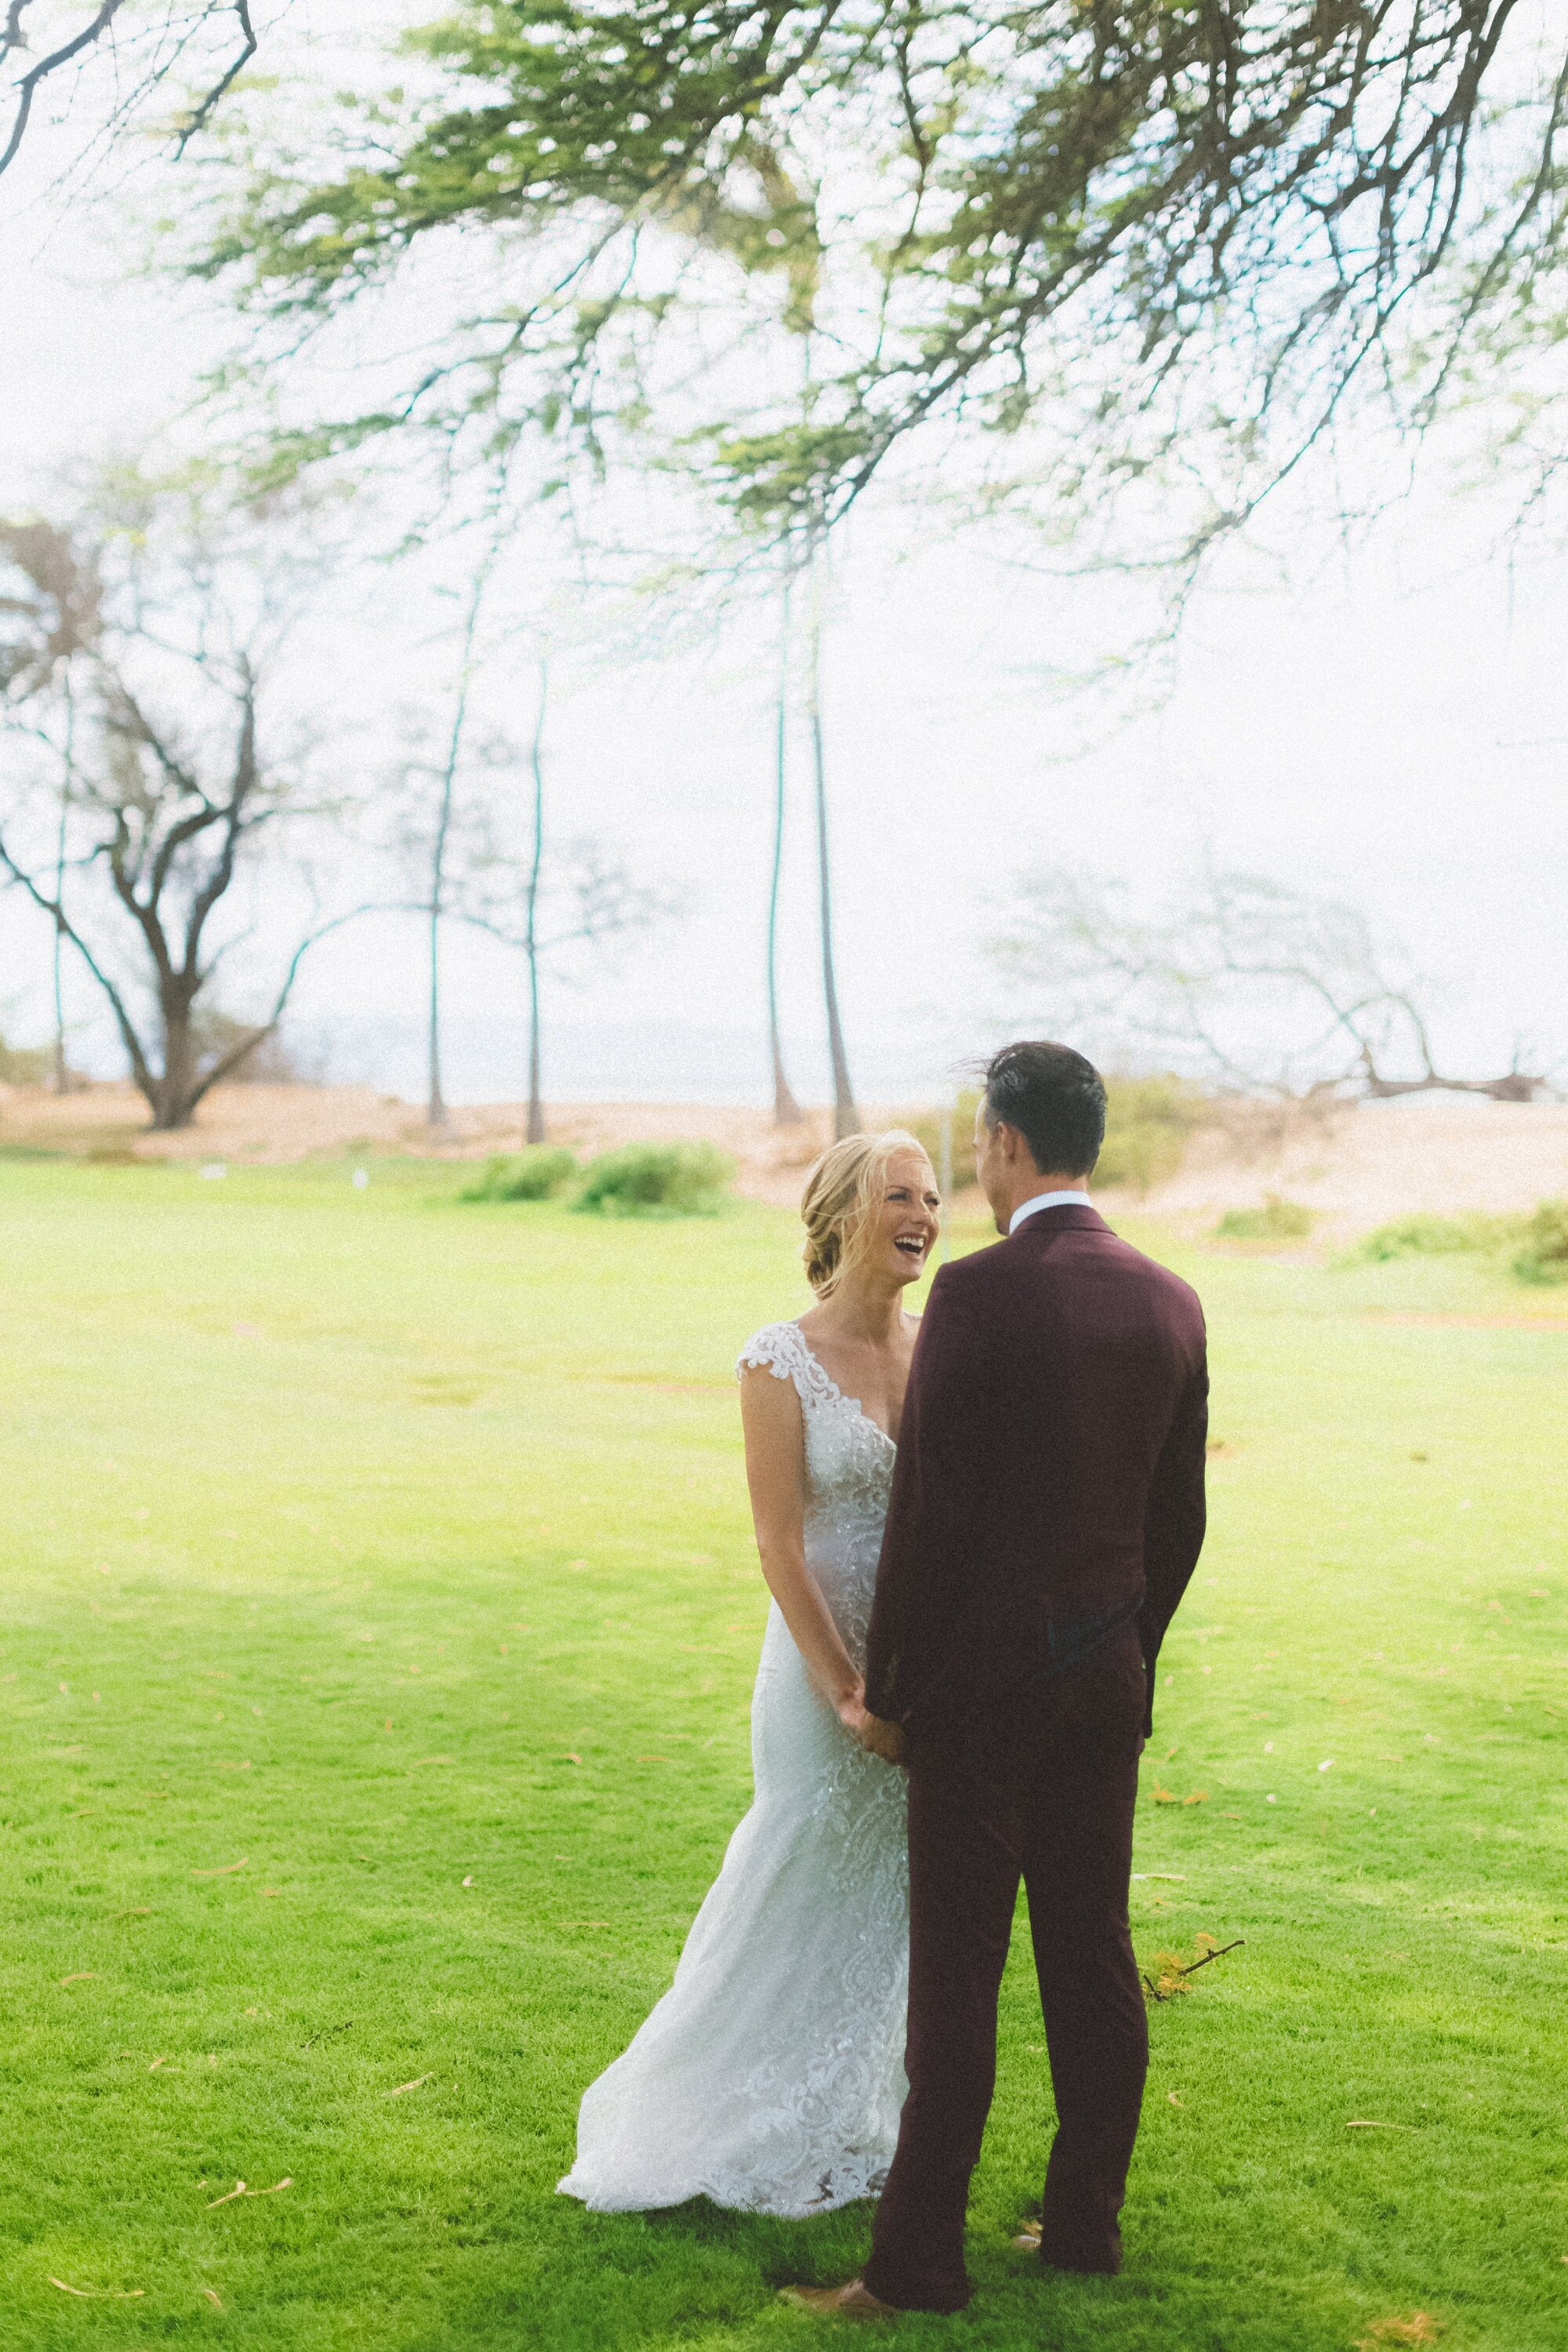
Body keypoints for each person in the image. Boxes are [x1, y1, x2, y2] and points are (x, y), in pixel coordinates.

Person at [788, 1040, 1209, 2319]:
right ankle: (1083, 2226)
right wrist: (1127, 1644)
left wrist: (890, 1693)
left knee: (959, 1982)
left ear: (1010, 1148)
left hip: (977, 1698)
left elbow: (932, 1519)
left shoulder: (975, 1296)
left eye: (979, 1145)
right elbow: (1177, 1521)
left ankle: (915, 2266)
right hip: (1106, 1685)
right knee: (1093, 1957)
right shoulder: (1172, 1299)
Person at [557, 1130, 940, 2216]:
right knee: (799, 1865)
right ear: (842, 1215)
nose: (922, 1215)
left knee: (885, 1894)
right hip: (821, 1667)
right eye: (896, 1196)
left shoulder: (940, 1347)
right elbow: (776, 1542)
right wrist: (849, 1694)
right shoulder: (778, 1356)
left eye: (931, 1196)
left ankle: (846, 2113)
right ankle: (706, 2113)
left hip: (917, 1659)